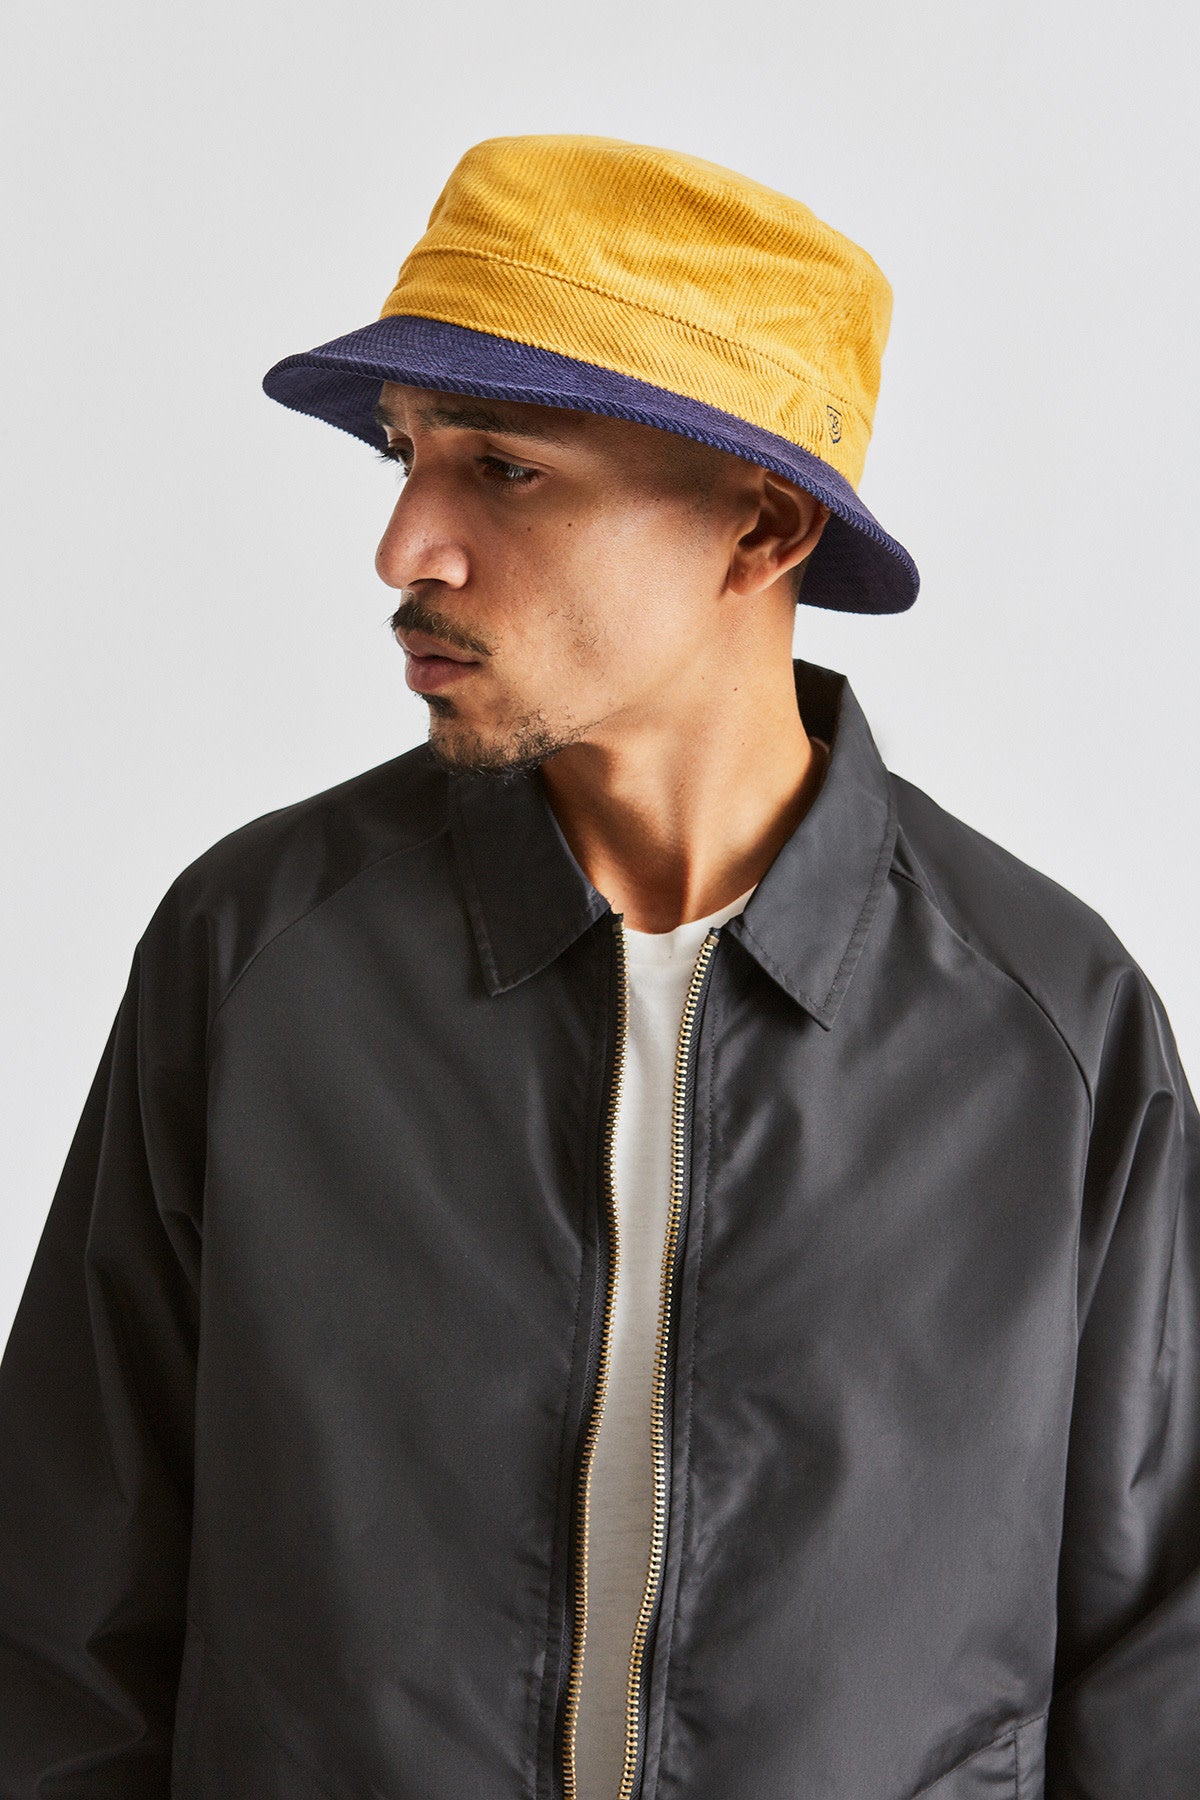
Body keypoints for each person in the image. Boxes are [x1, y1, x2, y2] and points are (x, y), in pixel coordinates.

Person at [1, 132, 1197, 1800]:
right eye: (406, 455)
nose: (406, 546)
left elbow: (1158, 1677)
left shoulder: (1048, 1030)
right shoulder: (260, 958)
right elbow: (61, 1625)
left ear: (760, 526)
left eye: (503, 469)